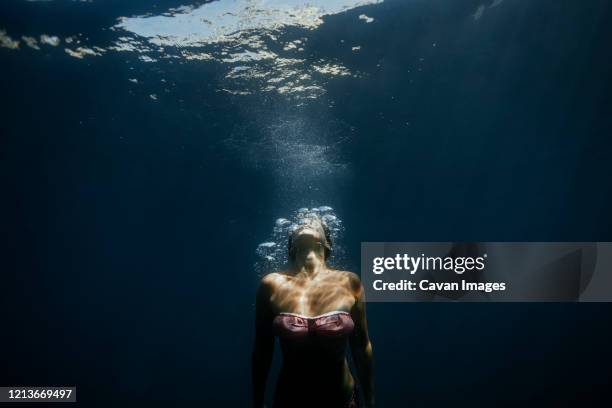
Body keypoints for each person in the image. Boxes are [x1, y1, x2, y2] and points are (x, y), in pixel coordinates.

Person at [252, 216, 374, 408]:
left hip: (343, 401)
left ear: (327, 242)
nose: (306, 221)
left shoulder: (349, 282)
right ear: (291, 245)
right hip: (290, 401)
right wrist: (257, 402)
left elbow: (361, 346)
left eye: (315, 221)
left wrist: (370, 401)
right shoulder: (271, 284)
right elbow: (262, 349)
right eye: (300, 224)